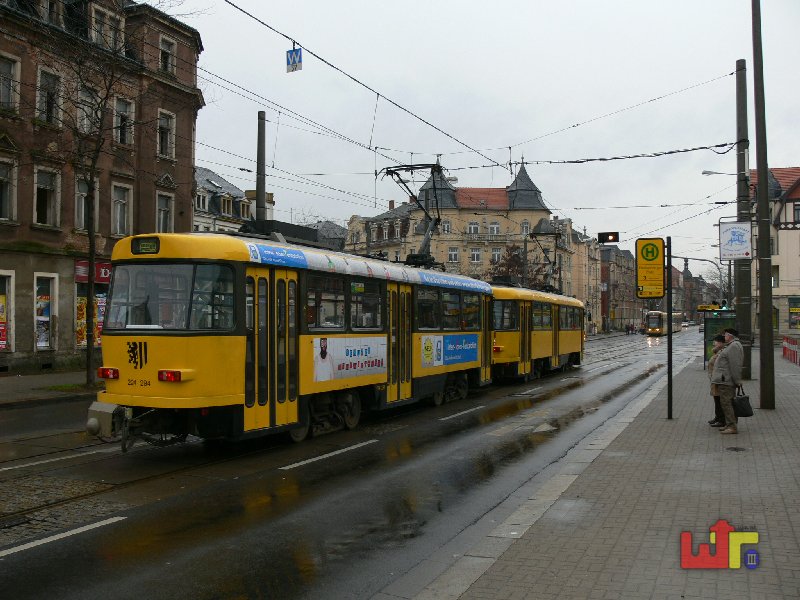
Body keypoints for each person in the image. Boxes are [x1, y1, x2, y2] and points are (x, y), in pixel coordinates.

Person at [710, 328, 744, 434]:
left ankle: (732, 426)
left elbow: (735, 365)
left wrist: (737, 380)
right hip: (724, 379)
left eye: (725, 335)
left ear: (730, 336)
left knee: (727, 403)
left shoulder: (734, 346)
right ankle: (729, 424)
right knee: (726, 403)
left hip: (726, 380)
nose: (724, 337)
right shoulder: (731, 346)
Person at [706, 334, 727, 427]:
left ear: (721, 343)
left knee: (719, 400)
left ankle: (721, 419)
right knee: (716, 399)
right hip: (715, 379)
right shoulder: (717, 351)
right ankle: (717, 417)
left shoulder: (722, 352)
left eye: (716, 341)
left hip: (719, 379)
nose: (714, 343)